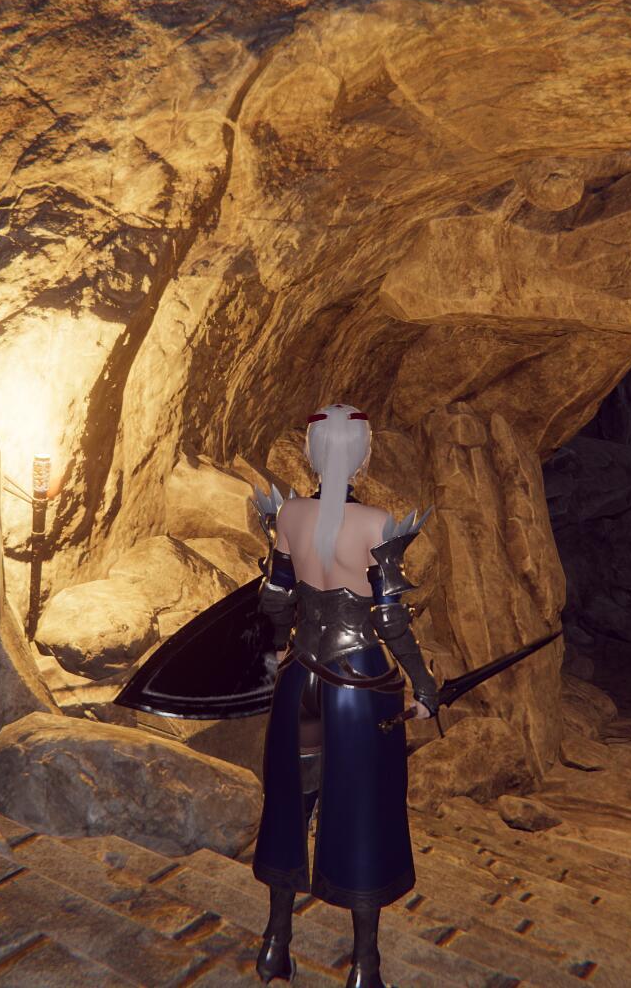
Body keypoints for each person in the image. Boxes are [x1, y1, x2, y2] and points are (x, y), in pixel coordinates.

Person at [248, 404, 439, 988]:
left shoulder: (289, 515)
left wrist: (278, 651)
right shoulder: (377, 524)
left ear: (311, 453)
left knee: (291, 802)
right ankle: (364, 966)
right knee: (365, 812)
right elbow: (390, 620)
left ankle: (275, 946)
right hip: (359, 689)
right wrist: (424, 684)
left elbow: (277, 600)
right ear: (364, 454)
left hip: (300, 680)